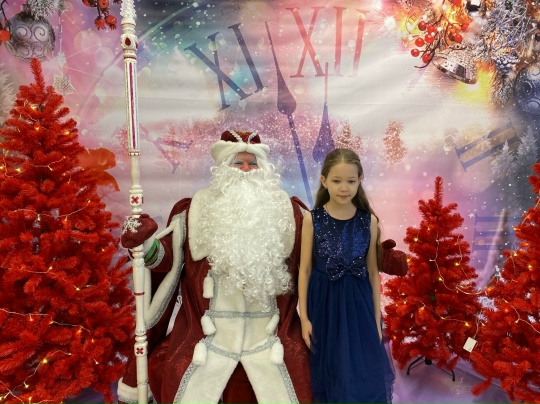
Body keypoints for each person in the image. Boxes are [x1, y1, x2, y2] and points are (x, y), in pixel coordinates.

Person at [118, 130, 312, 404]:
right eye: (238, 162)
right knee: (172, 369)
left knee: (301, 372)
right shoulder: (194, 211)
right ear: (222, 168)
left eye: (253, 163)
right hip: (207, 336)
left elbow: (318, 264)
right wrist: (144, 241)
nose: (246, 169)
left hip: (273, 337)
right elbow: (164, 260)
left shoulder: (291, 214)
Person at [298, 148, 395, 404]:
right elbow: (304, 269)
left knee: (362, 368)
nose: (344, 188)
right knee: (331, 367)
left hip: (358, 304)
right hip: (324, 304)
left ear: (360, 179)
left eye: (351, 181)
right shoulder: (312, 219)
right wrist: (304, 318)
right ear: (324, 181)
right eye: (337, 181)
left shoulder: (368, 221)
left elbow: (372, 272)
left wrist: (377, 320)